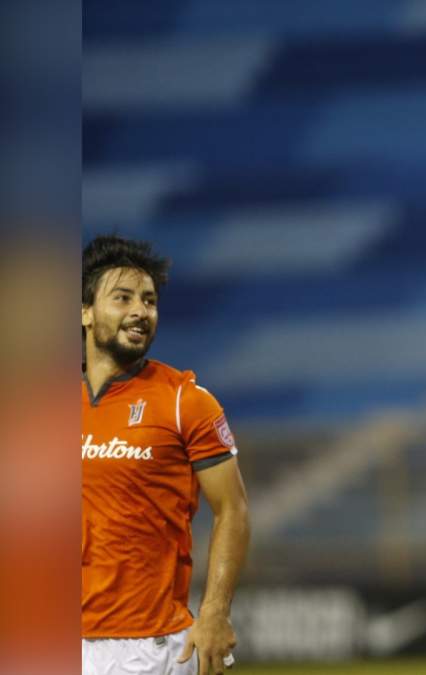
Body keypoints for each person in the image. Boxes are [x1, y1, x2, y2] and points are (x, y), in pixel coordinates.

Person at [82, 235, 250, 675]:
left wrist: (214, 611)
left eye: (150, 300)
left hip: (149, 649)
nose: (141, 311)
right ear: (84, 312)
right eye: (122, 298)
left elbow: (232, 509)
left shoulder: (185, 401)